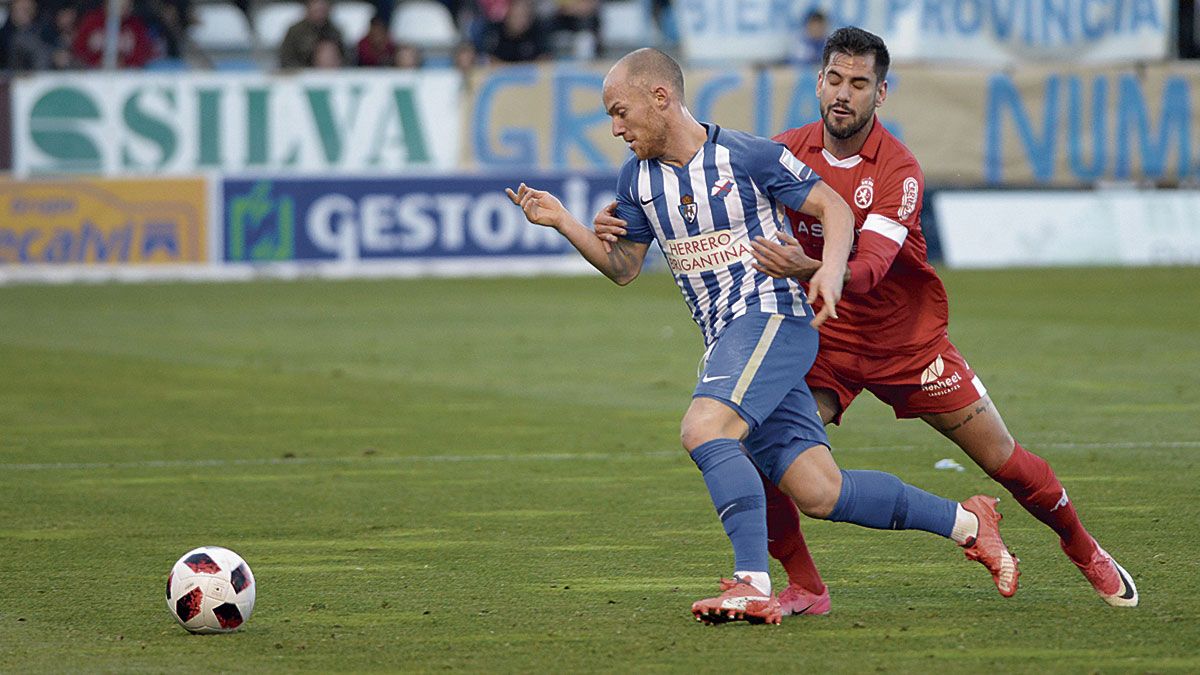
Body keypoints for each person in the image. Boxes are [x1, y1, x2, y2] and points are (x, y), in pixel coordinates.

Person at [597, 27, 1138, 615]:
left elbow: (874, 266)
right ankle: (803, 585)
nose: (843, 94)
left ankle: (1085, 549)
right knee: (759, 447)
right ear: (818, 82)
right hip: (824, 339)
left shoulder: (897, 170)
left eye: (859, 84)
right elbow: (713, 200)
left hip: (906, 344)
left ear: (881, 94)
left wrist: (813, 266)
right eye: (834, 79)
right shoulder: (784, 151)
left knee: (1002, 457)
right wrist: (628, 219)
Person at [508, 47, 1019, 625]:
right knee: (821, 491)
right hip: (727, 337)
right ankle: (969, 523)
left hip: (771, 318)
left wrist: (827, 269)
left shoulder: (746, 155)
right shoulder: (638, 179)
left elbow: (833, 207)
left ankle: (751, 582)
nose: (615, 128)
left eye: (620, 112)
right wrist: (565, 222)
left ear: (661, 98)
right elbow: (624, 266)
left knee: (704, 428)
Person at [71, 0, 156, 68]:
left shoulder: (136, 26)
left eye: (128, 5)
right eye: (120, 5)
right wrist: (95, 63)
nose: (124, 8)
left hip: (127, 76)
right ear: (107, 4)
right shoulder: (91, 21)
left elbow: (144, 54)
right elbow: (78, 50)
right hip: (92, 75)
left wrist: (126, 63)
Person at [278, 0, 344, 70]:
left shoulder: (334, 31)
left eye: (322, 5)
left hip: (332, 74)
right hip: (301, 74)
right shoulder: (295, 31)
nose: (319, 7)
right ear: (308, 7)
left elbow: (345, 57)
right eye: (316, 4)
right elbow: (286, 59)